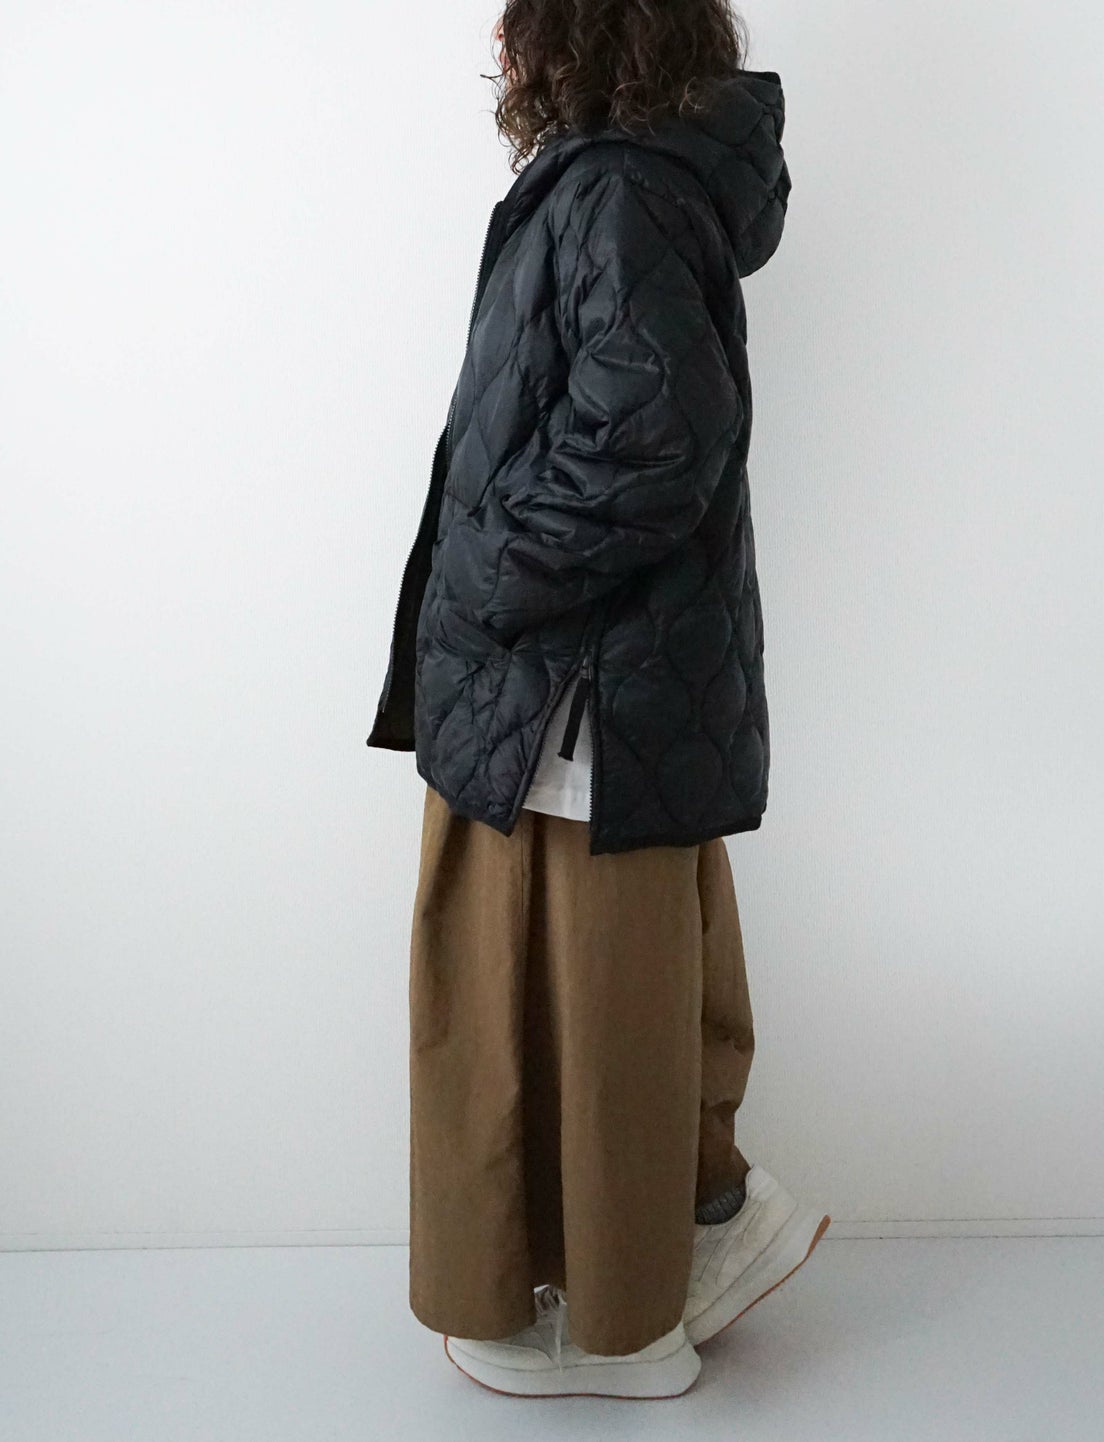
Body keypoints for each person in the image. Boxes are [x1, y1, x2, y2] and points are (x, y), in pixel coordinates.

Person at [366, 0, 829, 1399]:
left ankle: (627, 1325)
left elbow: (652, 440)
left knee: (566, 1006)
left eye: (521, 21)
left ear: (575, 33)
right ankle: (686, 1240)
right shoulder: (633, 180)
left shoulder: (620, 187)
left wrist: (480, 575)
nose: (502, 50)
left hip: (579, 686)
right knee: (615, 993)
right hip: (603, 677)